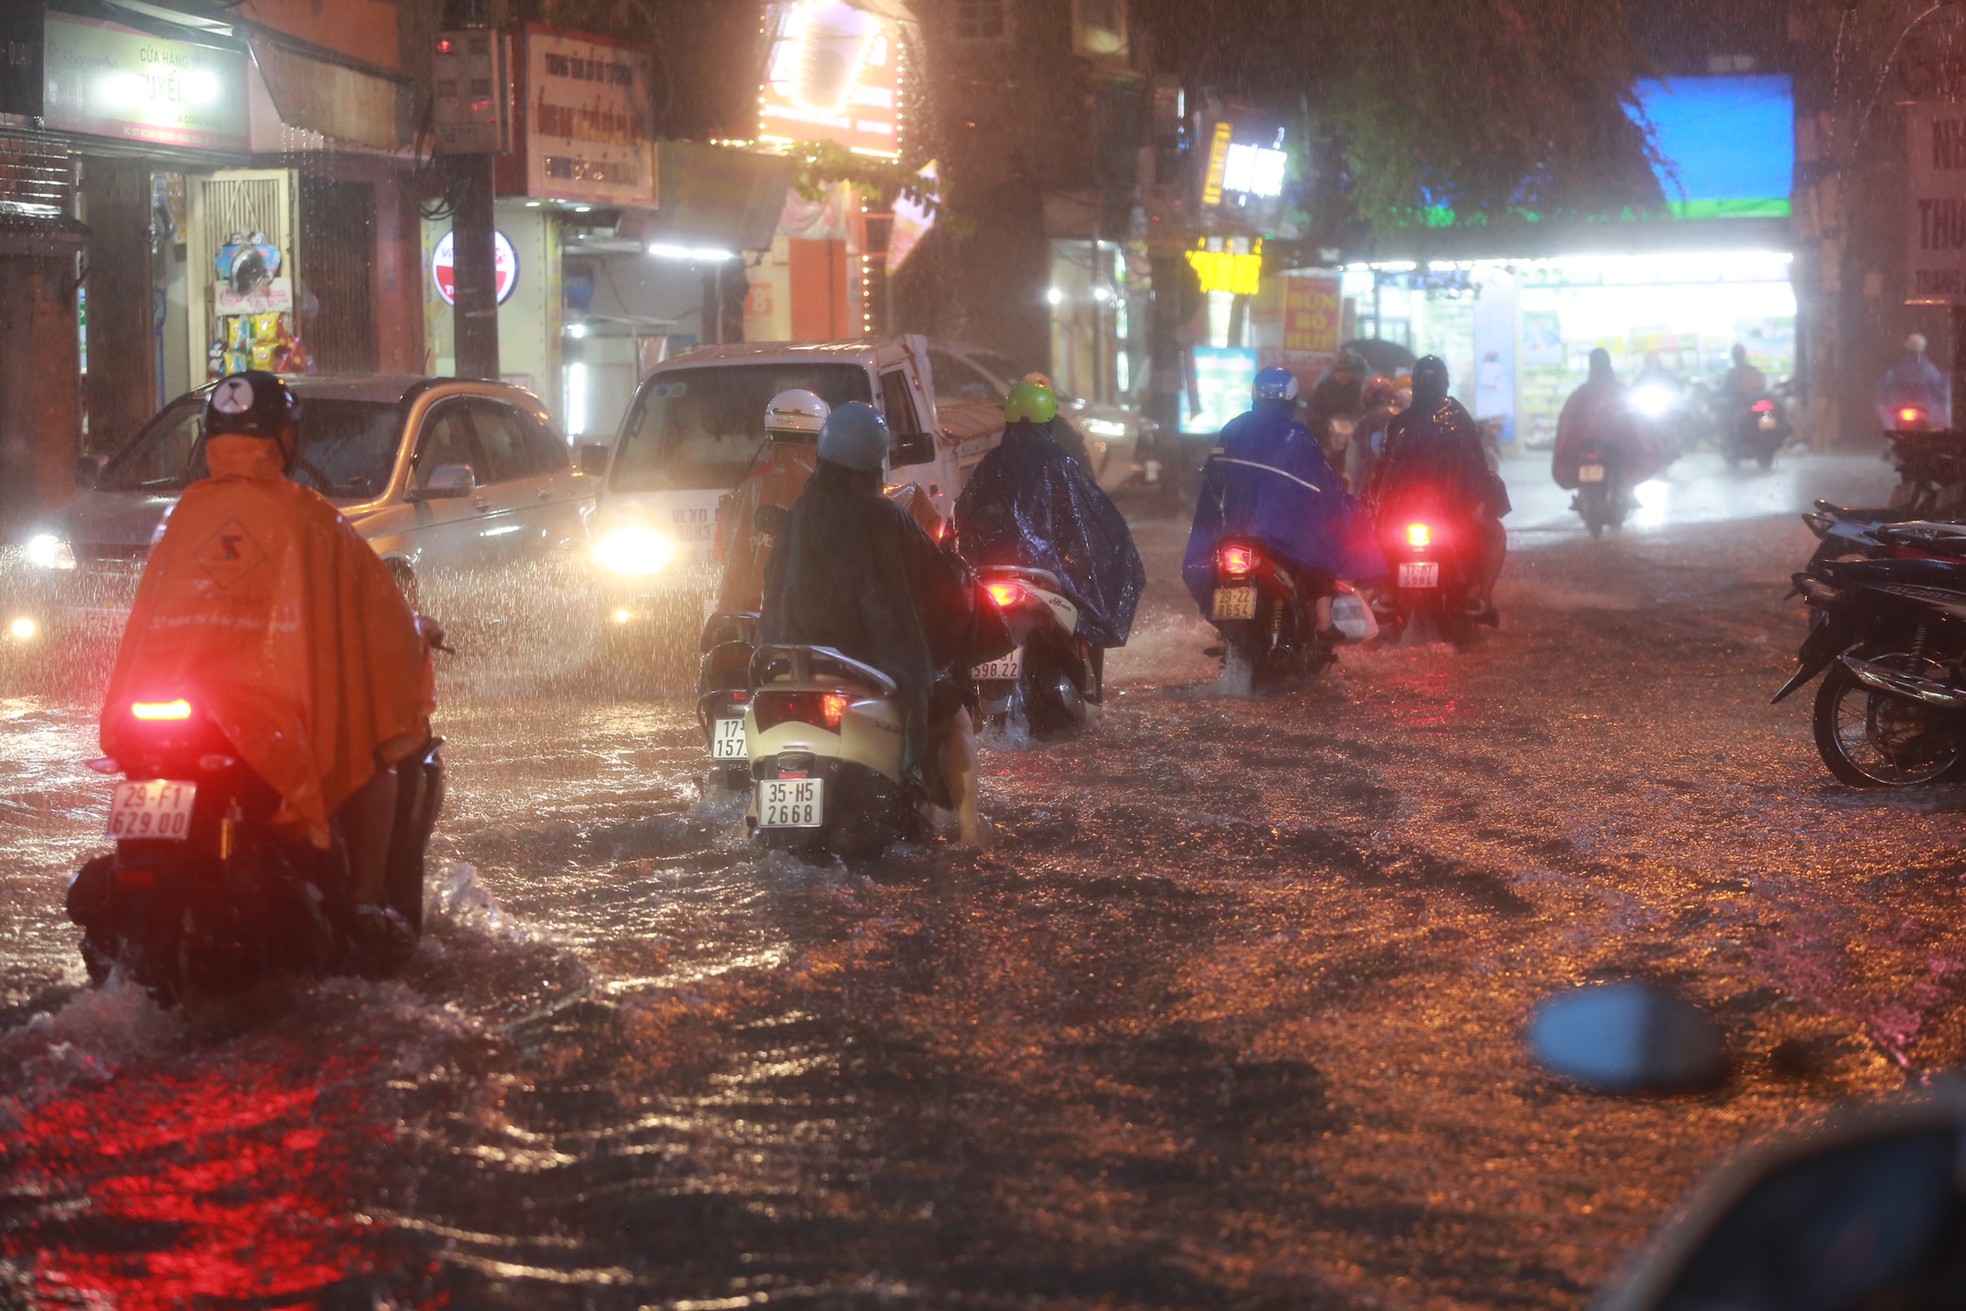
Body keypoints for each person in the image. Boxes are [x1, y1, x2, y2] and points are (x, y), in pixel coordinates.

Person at [100, 371, 435, 952]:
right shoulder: (310, 518)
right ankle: (363, 902)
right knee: (378, 748)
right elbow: (372, 613)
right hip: (268, 719)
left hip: (167, 713)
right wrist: (412, 632)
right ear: (285, 439)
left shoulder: (180, 517)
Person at [760, 402, 1006, 846]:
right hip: (871, 666)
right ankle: (971, 834)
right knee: (954, 718)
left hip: (791, 664)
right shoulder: (886, 516)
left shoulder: (797, 517)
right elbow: (941, 588)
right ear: (876, 460)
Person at [1182, 367, 1385, 643]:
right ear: (1290, 400)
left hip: (1235, 533)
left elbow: (1212, 484)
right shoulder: (1297, 436)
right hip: (1283, 540)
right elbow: (1324, 489)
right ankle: (1324, 623)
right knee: (1322, 558)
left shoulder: (1234, 429)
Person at [954, 380, 1145, 654]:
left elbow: (966, 514)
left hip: (991, 571)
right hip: (1042, 572)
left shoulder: (992, 462)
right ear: (1049, 418)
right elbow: (1088, 516)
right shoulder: (1059, 462)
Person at [1367, 355, 1509, 619]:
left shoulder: (1399, 424)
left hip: (1405, 512)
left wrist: (1373, 506)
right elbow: (1477, 466)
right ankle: (1480, 597)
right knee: (1496, 535)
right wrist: (1482, 499)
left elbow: (1380, 473)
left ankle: (1385, 590)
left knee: (1376, 534)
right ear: (1445, 383)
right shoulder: (1457, 417)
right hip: (1451, 510)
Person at [1551, 348, 1665, 491]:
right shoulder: (1620, 391)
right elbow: (1638, 425)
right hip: (1614, 449)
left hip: (1590, 448)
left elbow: (1566, 427)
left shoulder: (1580, 395)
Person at [1875, 332, 1950, 430]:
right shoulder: (1930, 370)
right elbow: (1942, 393)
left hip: (1900, 408)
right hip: (1925, 410)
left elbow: (1882, 397)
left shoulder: (1897, 370)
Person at [1346, 374, 1400, 494]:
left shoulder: (1365, 421)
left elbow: (1352, 462)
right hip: (1398, 486)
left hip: (1368, 486)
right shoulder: (1402, 417)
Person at [1304, 351, 1365, 432]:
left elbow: (1367, 410)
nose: (1343, 374)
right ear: (1334, 372)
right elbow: (1312, 411)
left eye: (1347, 371)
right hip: (1328, 432)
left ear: (1352, 372)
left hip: (1354, 432)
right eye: (1339, 371)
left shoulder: (1360, 388)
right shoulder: (1324, 387)